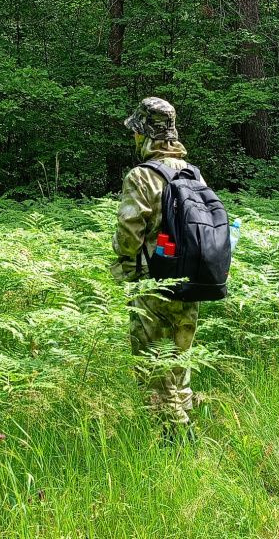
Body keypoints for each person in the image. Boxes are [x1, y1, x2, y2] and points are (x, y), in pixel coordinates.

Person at [112, 96, 202, 438]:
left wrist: (123, 267)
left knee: (152, 361)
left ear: (144, 134)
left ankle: (169, 438)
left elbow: (130, 232)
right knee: (180, 356)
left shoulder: (142, 176)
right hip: (193, 279)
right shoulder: (193, 173)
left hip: (152, 282)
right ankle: (187, 427)